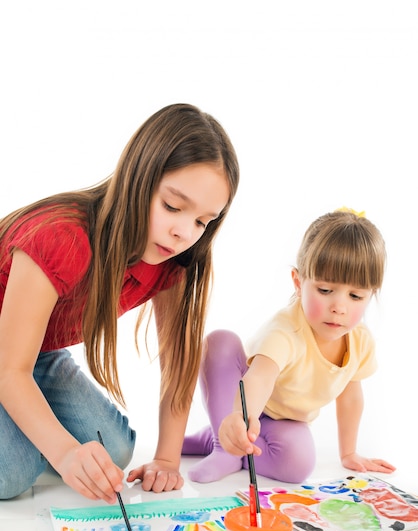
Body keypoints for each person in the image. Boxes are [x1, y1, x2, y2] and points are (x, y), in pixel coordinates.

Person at [0, 103, 239, 503]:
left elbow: (176, 363)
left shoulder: (173, 259)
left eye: (202, 222)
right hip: (11, 358)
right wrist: (63, 452)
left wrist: (166, 459)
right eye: (172, 207)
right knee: (13, 473)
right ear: (138, 178)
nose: (184, 232)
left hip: (35, 352)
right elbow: (10, 369)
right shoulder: (60, 237)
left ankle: (26, 423)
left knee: (115, 451)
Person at [182, 209, 396, 483]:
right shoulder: (286, 331)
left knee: (298, 465)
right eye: (325, 291)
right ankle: (225, 445)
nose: (339, 308)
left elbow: (350, 397)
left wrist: (349, 453)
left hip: (284, 422)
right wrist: (240, 416)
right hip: (242, 401)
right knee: (219, 343)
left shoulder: (360, 341)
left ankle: (219, 441)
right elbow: (259, 378)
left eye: (355, 296)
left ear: (371, 295)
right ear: (298, 282)